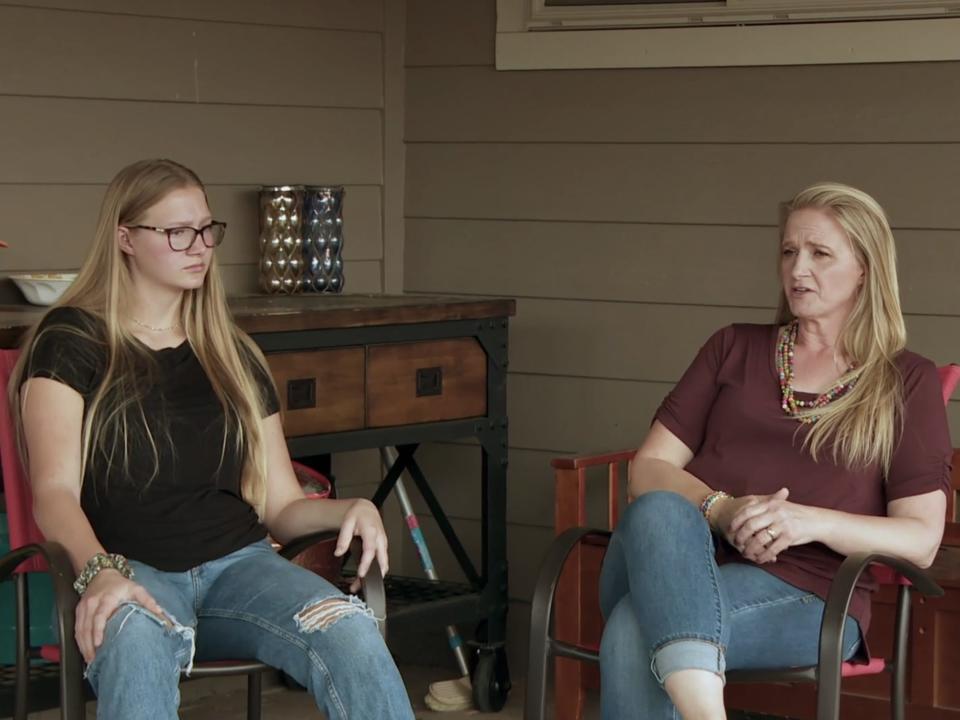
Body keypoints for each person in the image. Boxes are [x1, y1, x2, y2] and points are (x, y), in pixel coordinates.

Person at [11, 159, 415, 719]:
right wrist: (100, 572)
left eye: (206, 229)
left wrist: (355, 507)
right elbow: (53, 493)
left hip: (240, 568)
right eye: (176, 232)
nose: (198, 246)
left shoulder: (232, 352)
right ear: (125, 238)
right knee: (132, 639)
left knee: (349, 628)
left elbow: (281, 506)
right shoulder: (72, 340)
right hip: (130, 568)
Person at [599, 182, 952, 720]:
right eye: (789, 251)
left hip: (812, 594)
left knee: (631, 627)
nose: (797, 269)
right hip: (680, 564)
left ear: (866, 268)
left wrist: (802, 521)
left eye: (820, 253)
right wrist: (725, 509)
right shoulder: (732, 347)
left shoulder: (905, 382)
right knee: (658, 508)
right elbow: (648, 468)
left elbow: (920, 540)